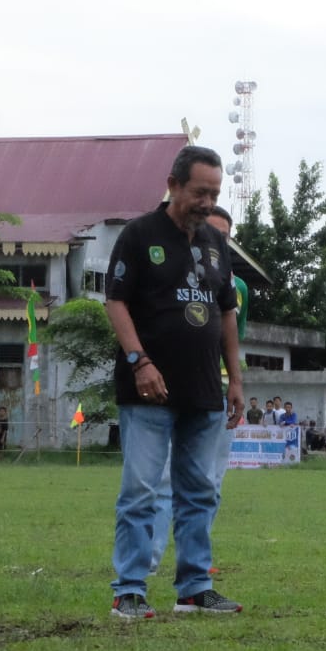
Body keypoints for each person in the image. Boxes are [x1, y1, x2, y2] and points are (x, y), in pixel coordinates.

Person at [104, 145, 244, 621]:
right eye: (200, 192)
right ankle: (129, 590)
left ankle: (195, 588)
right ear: (173, 184)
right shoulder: (139, 235)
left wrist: (235, 381)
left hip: (204, 388)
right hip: (149, 390)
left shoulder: (215, 242)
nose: (207, 202)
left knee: (200, 490)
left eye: (215, 194)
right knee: (142, 489)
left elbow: (226, 313)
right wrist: (140, 361)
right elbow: (116, 302)